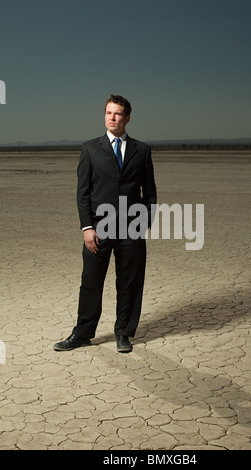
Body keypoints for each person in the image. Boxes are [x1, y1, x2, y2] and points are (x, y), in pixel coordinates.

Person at [54, 94, 157, 353]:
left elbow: (150, 193)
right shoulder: (90, 148)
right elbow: (83, 192)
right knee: (91, 281)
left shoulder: (141, 150)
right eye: (109, 113)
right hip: (99, 228)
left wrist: (143, 223)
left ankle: (123, 332)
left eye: (118, 114)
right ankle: (82, 333)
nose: (112, 118)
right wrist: (87, 227)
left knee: (130, 282)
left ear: (127, 118)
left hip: (131, 229)